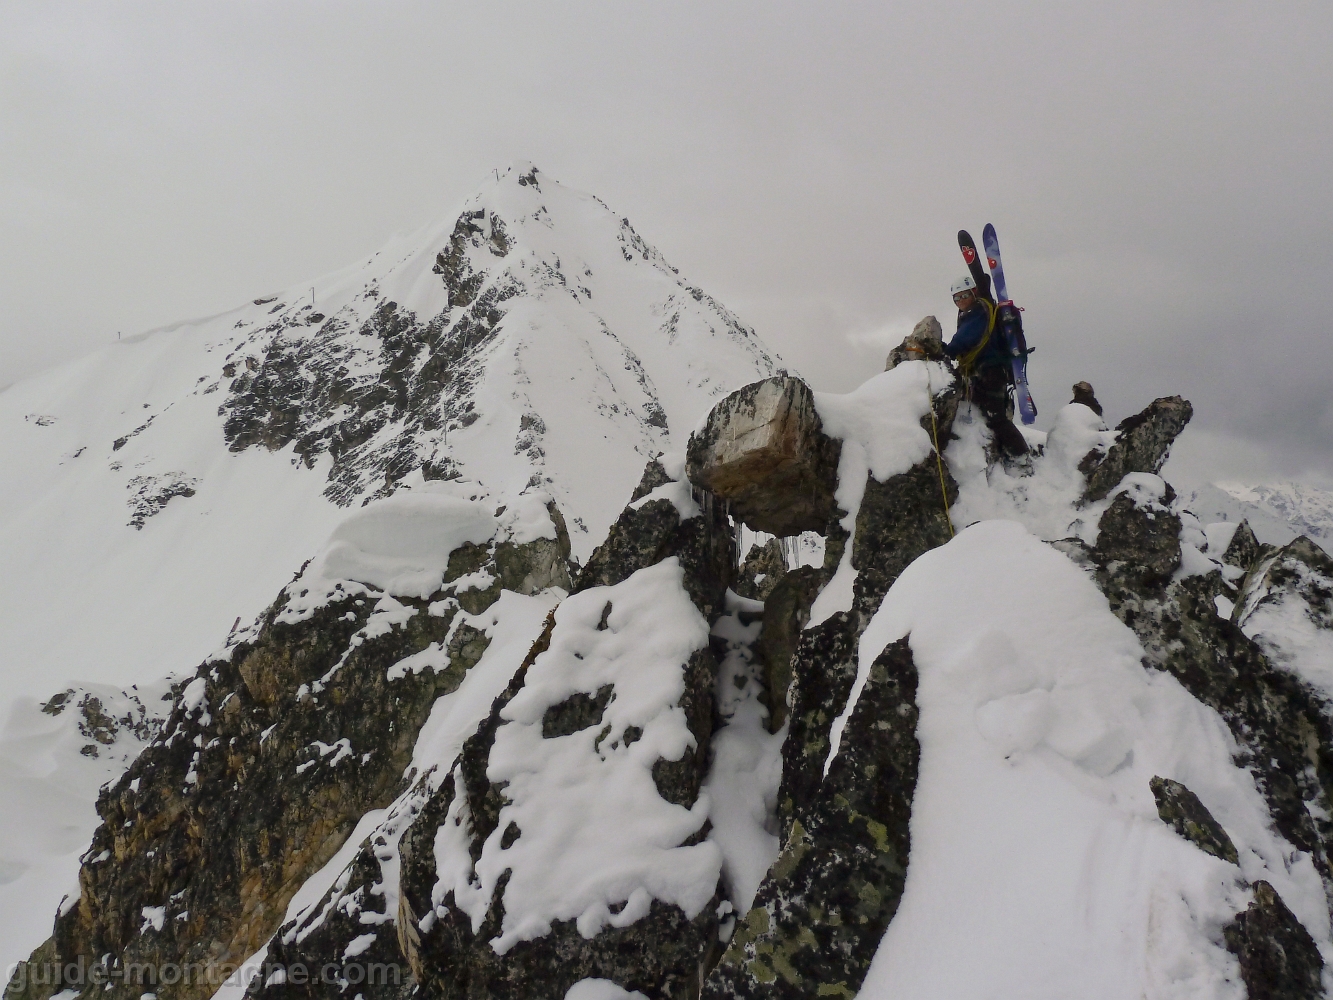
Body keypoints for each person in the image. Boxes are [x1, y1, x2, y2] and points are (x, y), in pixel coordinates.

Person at [941, 275, 1029, 458]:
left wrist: (945, 351)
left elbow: (964, 339)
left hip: (991, 370)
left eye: (964, 296)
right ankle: (1008, 453)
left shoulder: (978, 312)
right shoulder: (975, 311)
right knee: (985, 410)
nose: (960, 301)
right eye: (956, 298)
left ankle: (1021, 456)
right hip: (987, 370)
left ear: (973, 293)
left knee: (995, 416)